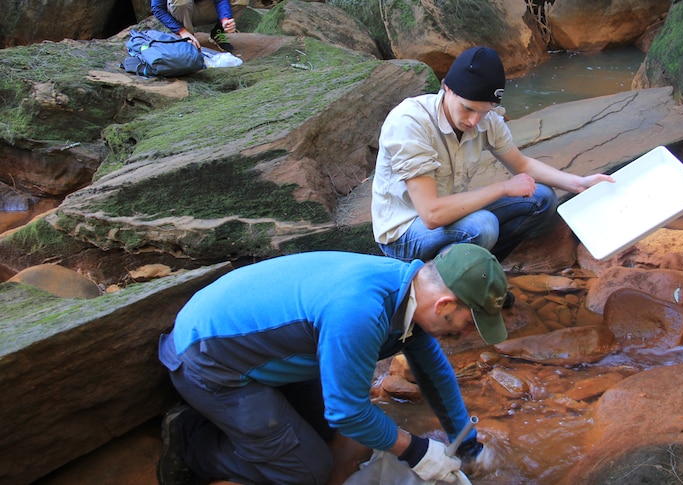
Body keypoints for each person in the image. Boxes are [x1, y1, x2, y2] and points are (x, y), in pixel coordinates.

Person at [156, 243, 507, 485]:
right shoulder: (361, 311)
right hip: (208, 360)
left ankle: (239, 424)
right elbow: (349, 413)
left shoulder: (406, 290)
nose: (464, 333)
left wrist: (467, 447)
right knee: (307, 472)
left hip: (255, 346)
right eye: (468, 322)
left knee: (326, 434)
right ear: (444, 306)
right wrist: (416, 451)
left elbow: (435, 372)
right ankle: (191, 440)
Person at [372, 46, 614, 264]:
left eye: (484, 111)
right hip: (405, 233)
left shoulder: (487, 119)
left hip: (451, 217)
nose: (474, 120)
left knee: (542, 198)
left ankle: (485, 268)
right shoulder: (411, 122)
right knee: (482, 226)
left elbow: (522, 164)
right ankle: (447, 283)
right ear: (446, 88)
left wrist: (578, 183)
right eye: (467, 108)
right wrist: (503, 188)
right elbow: (432, 214)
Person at [150, 0, 247, 52]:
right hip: (182, 13)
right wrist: (182, 31)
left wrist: (225, 19)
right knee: (181, 2)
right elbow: (157, 8)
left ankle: (218, 32)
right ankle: (188, 40)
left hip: (206, 9)